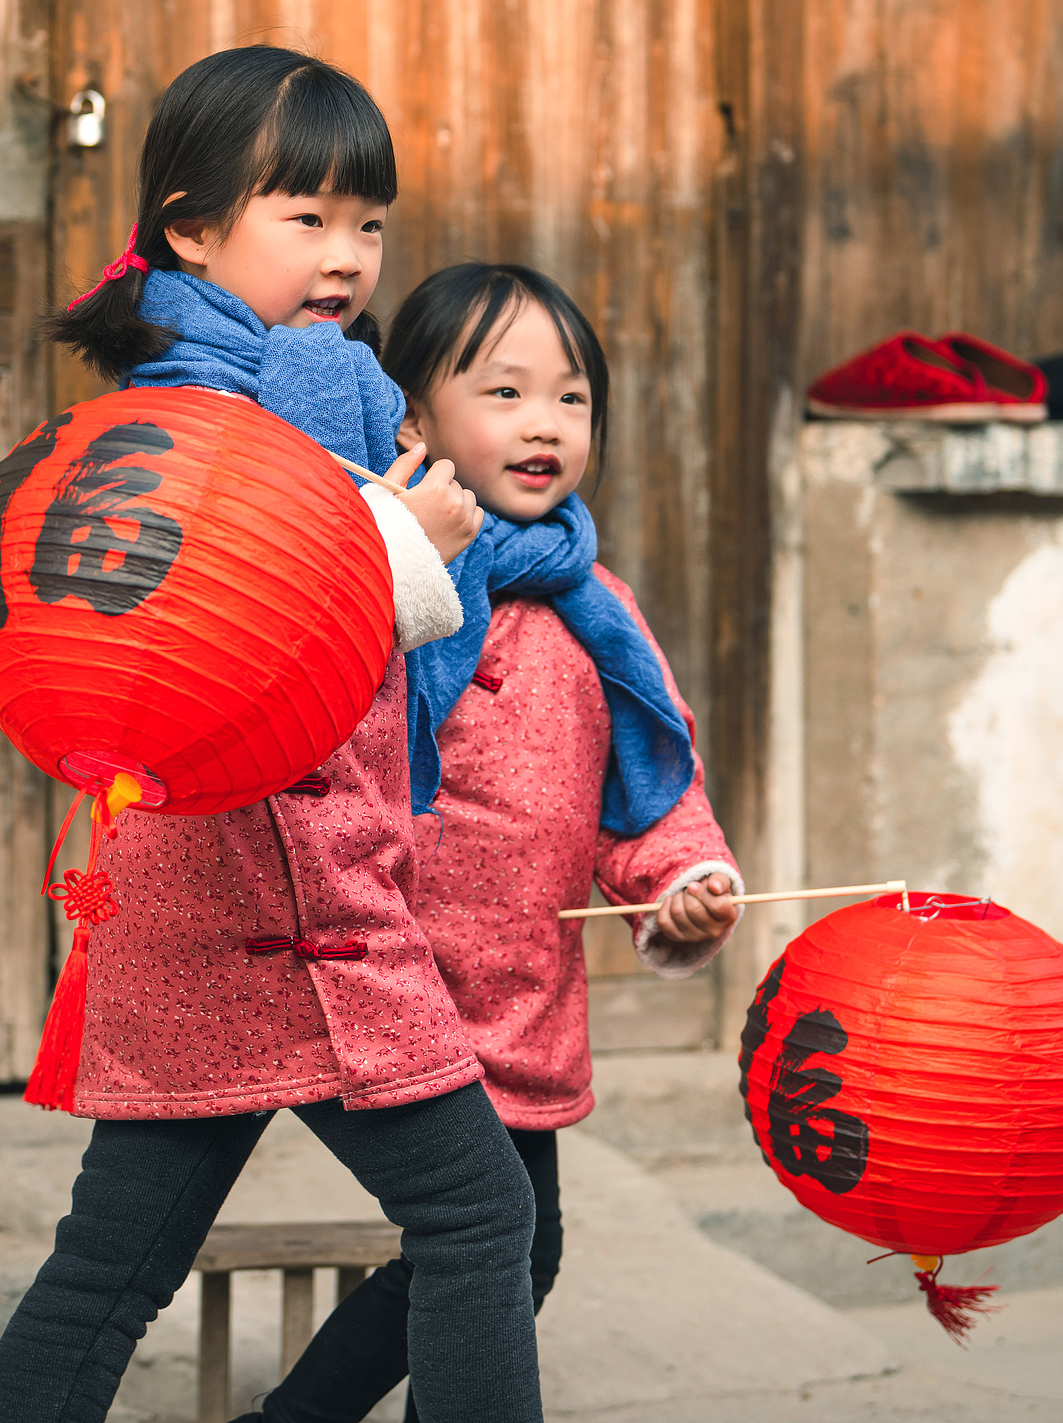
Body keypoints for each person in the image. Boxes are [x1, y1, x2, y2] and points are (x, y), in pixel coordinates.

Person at [0, 52, 544, 1423]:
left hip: (188, 908)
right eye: (307, 216)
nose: (347, 255)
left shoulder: (165, 402)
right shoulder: (270, 394)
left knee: (109, 1270)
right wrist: (411, 539)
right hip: (289, 901)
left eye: (370, 222)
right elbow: (254, 630)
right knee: (479, 1216)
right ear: (190, 227)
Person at [268, 260, 743, 1423]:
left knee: (505, 1256)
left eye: (570, 397)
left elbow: (647, 792)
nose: (544, 424)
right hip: (392, 984)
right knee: (486, 1242)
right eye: (505, 392)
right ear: (414, 421)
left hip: (517, 993)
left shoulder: (597, 610)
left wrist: (680, 882)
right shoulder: (392, 588)